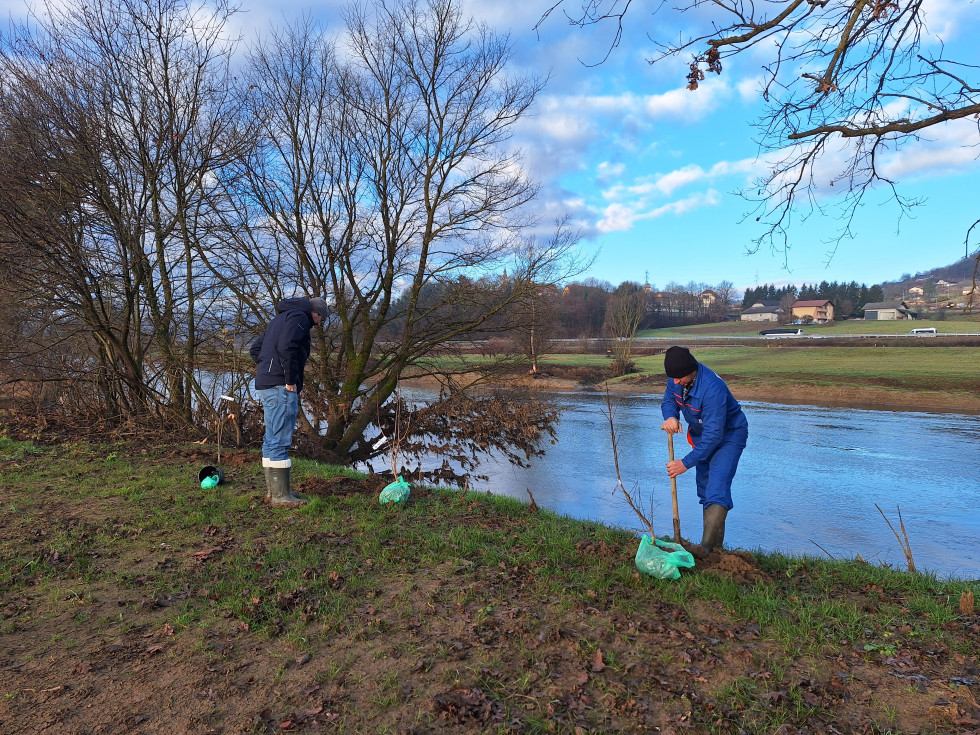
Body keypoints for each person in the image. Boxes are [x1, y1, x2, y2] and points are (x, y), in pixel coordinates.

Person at [660, 345, 748, 558]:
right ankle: (716, 551)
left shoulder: (712, 388)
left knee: (717, 488)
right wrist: (671, 416)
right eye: (672, 378)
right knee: (705, 490)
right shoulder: (677, 378)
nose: (675, 382)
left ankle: (705, 551)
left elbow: (714, 436)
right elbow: (669, 400)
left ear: (691, 371)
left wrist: (685, 463)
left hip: (728, 436)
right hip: (702, 436)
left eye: (679, 378)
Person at [250, 295, 328, 507]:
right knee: (280, 438)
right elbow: (288, 346)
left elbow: (255, 350)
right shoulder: (300, 317)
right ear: (316, 313)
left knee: (271, 437)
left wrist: (268, 368)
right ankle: (280, 497)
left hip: (267, 383)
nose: (319, 323)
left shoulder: (280, 318)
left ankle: (274, 491)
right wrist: (289, 379)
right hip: (281, 386)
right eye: (322, 319)